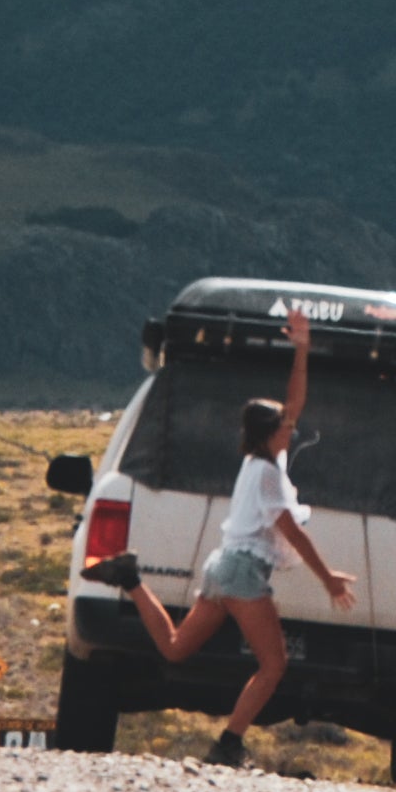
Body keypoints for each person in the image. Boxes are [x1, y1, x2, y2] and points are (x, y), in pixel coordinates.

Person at [90, 302, 354, 766]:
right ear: (270, 434)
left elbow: (294, 403)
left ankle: (131, 578)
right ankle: (229, 742)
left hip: (222, 565)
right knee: (274, 665)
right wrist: (327, 578)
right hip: (242, 572)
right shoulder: (268, 476)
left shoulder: (261, 460)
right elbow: (292, 532)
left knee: (176, 649)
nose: (292, 429)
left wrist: (302, 349)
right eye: (285, 427)